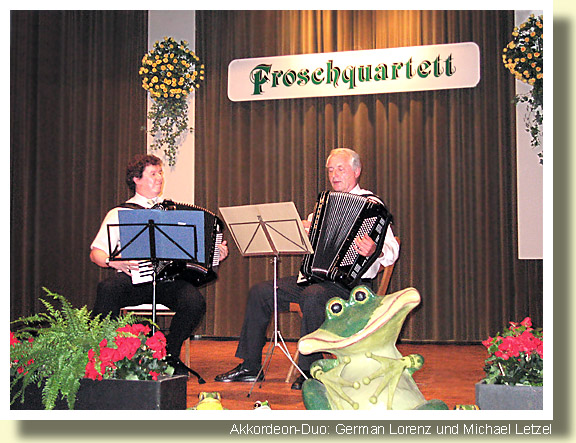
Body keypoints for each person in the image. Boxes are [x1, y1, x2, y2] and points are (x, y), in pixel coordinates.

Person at [214, 148, 399, 389]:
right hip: (316, 280)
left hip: (352, 287)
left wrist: (375, 250)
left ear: (357, 171)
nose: (334, 175)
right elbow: (308, 243)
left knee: (313, 296)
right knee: (261, 292)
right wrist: (298, 230)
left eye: (340, 169)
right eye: (330, 170)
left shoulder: (373, 207)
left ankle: (310, 371)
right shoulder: (324, 205)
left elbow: (392, 249)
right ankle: (250, 367)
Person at [90, 154, 228, 376]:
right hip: (134, 278)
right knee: (107, 289)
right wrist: (114, 261)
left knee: (194, 302)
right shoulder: (120, 213)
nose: (159, 178)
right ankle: (107, 353)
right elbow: (96, 253)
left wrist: (214, 254)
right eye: (153, 173)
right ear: (136, 179)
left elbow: (195, 251)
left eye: (160, 173)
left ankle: (169, 354)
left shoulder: (173, 212)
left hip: (167, 281)